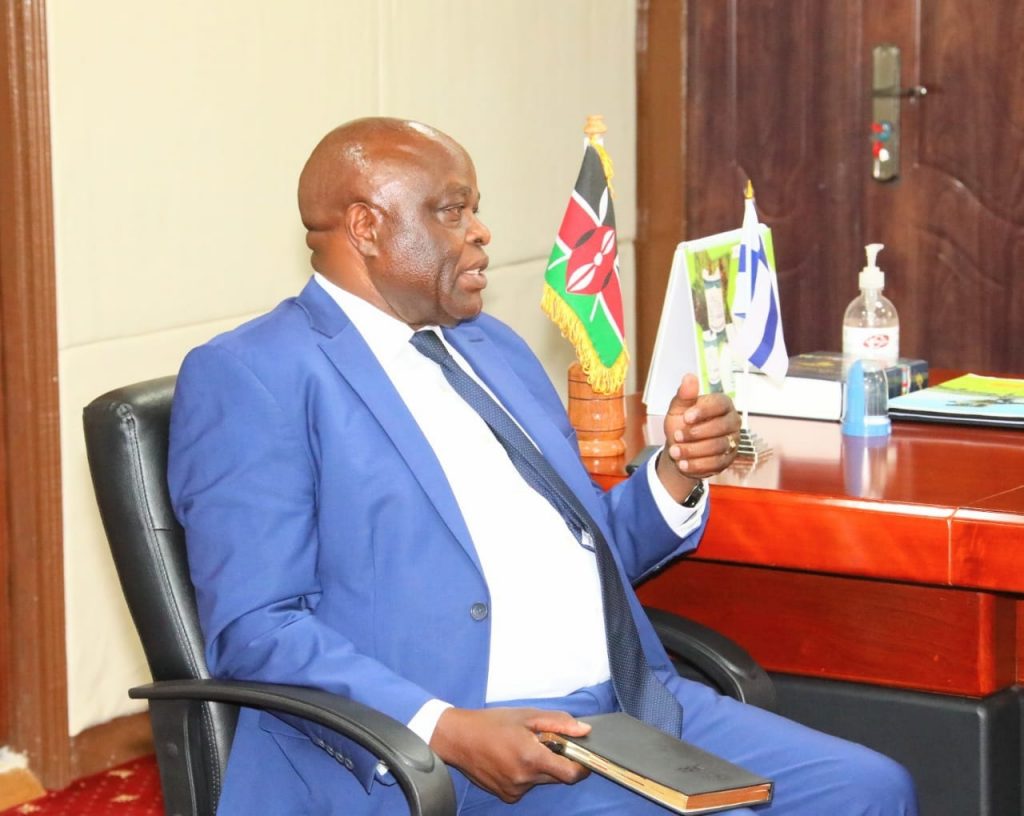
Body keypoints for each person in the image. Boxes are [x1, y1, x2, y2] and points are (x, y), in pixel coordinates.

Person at [167, 117, 917, 815]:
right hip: (445, 748)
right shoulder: (257, 373)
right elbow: (257, 628)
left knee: (871, 790)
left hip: (625, 706)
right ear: (366, 226)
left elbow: (591, 548)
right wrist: (447, 728)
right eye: (452, 211)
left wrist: (676, 473)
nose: (480, 231)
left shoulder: (491, 348)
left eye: (474, 209)